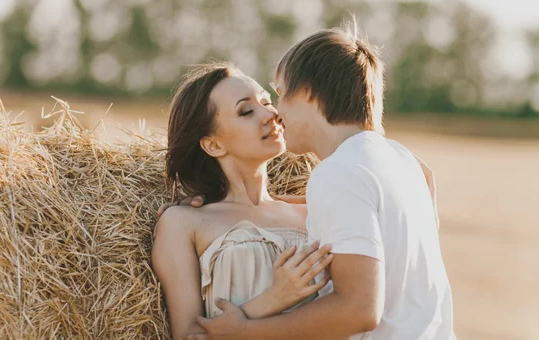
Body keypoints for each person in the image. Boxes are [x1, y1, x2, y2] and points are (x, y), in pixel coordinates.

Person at [179, 23, 456, 339]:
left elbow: (359, 311)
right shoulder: (406, 164)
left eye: (278, 95)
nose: (276, 114)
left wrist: (246, 330)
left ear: (308, 93)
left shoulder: (338, 173)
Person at [151, 62, 336, 340]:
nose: (270, 114)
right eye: (246, 111)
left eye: (266, 101)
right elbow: (188, 335)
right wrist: (273, 299)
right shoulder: (182, 222)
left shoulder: (313, 210)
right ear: (213, 145)